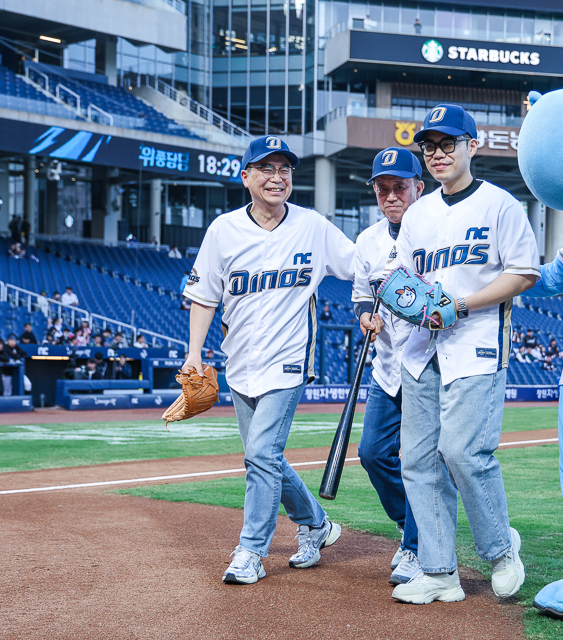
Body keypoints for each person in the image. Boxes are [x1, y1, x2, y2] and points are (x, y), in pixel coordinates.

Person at [181, 135, 357, 585]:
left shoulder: (312, 226)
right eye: (266, 168)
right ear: (246, 177)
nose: (277, 177)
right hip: (239, 364)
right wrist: (194, 353)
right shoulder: (223, 230)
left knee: (261, 453)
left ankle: (251, 551)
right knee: (265, 458)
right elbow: (204, 297)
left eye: (284, 169)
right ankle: (317, 524)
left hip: (289, 360)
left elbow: (359, 265)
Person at [390, 105, 539, 604]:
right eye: (429, 146)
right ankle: (439, 572)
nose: (437, 153)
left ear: (472, 146)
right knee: (417, 462)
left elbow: (524, 273)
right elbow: (405, 280)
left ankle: (501, 550)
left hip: (476, 344)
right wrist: (404, 301)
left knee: (462, 453)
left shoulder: (500, 205)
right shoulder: (417, 214)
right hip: (420, 351)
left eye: (448, 143)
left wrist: (461, 304)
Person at [353, 147, 426, 586]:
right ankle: (412, 525)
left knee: (418, 460)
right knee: (372, 454)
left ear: (419, 187)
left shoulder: (436, 230)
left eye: (400, 186)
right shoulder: (367, 240)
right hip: (386, 367)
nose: (391, 196)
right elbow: (362, 294)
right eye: (383, 189)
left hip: (425, 364)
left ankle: (417, 546)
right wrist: (366, 314)